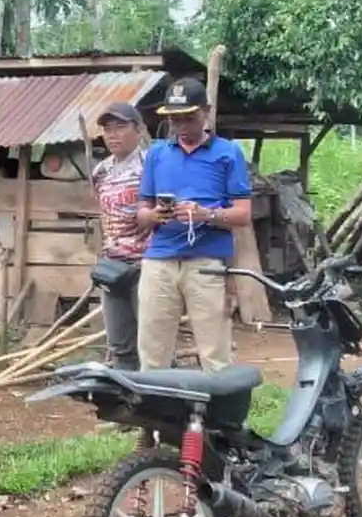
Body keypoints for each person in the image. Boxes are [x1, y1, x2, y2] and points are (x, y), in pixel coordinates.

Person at [134, 77, 252, 373]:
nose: (182, 125)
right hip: (159, 262)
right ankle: (154, 414)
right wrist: (154, 216)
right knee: (152, 349)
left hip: (206, 263)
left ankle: (220, 417)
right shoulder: (157, 155)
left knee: (215, 352)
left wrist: (207, 215)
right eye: (175, 119)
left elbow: (243, 214)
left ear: (206, 112)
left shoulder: (228, 153)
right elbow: (142, 210)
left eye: (189, 117)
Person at [89, 101, 149, 371]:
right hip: (112, 267)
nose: (112, 134)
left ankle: (162, 406)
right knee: (120, 344)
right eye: (107, 129)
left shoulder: (151, 165)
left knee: (152, 343)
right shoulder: (101, 171)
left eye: (120, 127)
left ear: (138, 130)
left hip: (147, 265)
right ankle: (128, 406)